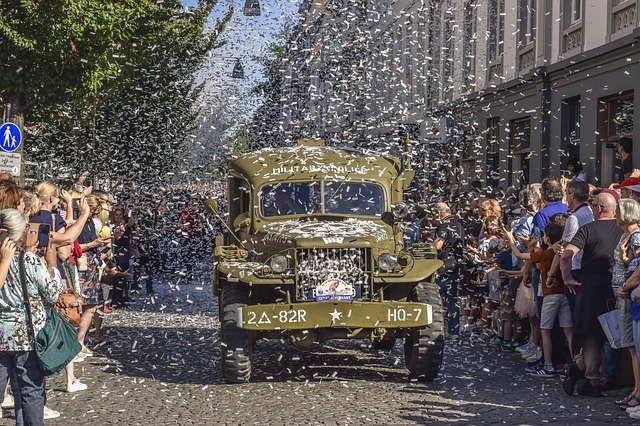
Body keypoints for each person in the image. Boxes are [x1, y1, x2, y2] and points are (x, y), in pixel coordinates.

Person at [0, 209, 63, 425]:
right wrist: (53, 267)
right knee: (31, 393)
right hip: (27, 338)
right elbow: (53, 294)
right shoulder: (29, 260)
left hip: (2, 338)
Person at [561, 191, 622, 396]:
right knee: (615, 333)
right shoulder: (625, 230)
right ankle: (601, 375)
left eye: (592, 204)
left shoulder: (588, 229)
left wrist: (567, 277)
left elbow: (567, 255)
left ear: (598, 208)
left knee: (590, 335)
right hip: (617, 286)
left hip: (591, 287)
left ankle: (589, 376)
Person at [506, 222, 573, 377]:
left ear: (547, 238)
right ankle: (574, 363)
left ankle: (548, 366)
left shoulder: (545, 254)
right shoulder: (562, 252)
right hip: (564, 293)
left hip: (549, 295)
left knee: (545, 331)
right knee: (568, 331)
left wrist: (510, 239)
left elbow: (519, 255)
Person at [611, 198, 640, 409]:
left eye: (618, 211)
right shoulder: (625, 235)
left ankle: (637, 392)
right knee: (630, 346)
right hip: (624, 293)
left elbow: (637, 268)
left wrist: (626, 287)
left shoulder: (636, 236)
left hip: (629, 293)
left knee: (633, 346)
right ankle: (636, 390)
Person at [432, 202, 464, 336]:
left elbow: (438, 246)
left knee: (436, 296)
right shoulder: (459, 226)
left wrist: (431, 243)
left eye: (434, 211)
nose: (433, 215)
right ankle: (454, 330)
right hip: (457, 264)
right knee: (452, 299)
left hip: (444, 265)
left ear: (440, 212)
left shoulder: (443, 226)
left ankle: (435, 327)